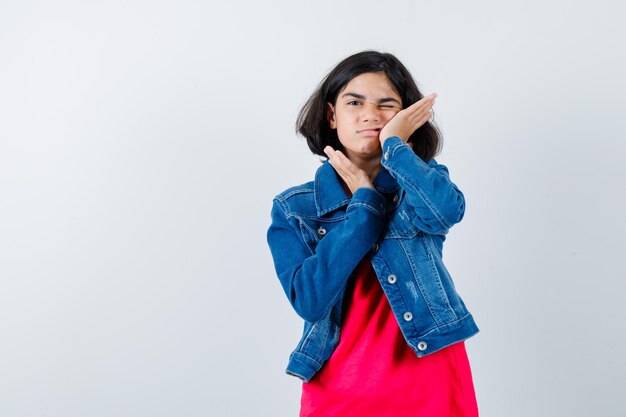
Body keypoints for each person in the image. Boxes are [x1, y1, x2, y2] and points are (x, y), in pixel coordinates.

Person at [266, 50, 480, 416]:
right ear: (332, 114)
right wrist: (364, 206)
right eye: (354, 102)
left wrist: (395, 147)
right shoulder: (294, 208)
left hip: (431, 376)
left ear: (405, 117)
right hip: (339, 384)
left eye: (387, 105)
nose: (371, 114)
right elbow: (310, 300)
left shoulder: (422, 184)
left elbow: (445, 212)